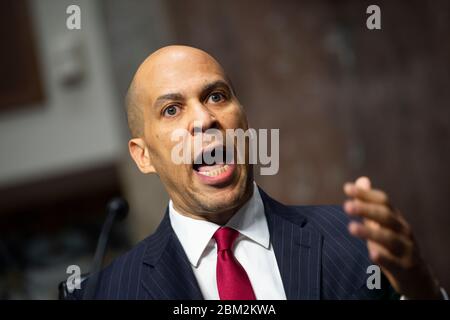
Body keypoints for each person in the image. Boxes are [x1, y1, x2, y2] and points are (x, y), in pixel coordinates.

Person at [71, 45, 445, 300]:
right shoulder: (108, 292)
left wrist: (420, 286)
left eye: (216, 96)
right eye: (171, 109)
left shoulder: (356, 244)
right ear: (143, 156)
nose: (204, 119)